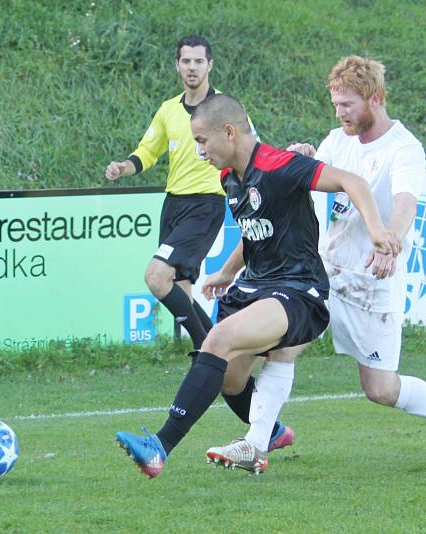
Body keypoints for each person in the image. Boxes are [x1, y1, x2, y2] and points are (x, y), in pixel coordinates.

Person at [114, 93, 401, 478]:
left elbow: (351, 181)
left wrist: (378, 229)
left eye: (202, 141)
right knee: (231, 381)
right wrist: (228, 272)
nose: (200, 151)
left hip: (299, 291)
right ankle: (271, 432)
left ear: (229, 132)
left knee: (214, 343)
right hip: (256, 287)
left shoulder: (280, 165)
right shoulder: (228, 178)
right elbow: (255, 235)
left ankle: (159, 448)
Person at [280, 55, 426, 468]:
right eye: (336, 104)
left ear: (374, 99)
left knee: (380, 390)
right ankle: (257, 441)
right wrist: (304, 157)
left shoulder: (404, 148)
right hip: (326, 274)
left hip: (372, 282)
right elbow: (317, 176)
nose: (339, 113)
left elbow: (406, 200)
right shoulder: (336, 139)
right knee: (283, 345)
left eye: (347, 105)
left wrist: (388, 242)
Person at [105, 35, 294, 452]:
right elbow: (148, 149)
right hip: (173, 205)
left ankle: (203, 340)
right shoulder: (169, 110)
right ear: (177, 66)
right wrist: (127, 165)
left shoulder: (226, 111)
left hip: (207, 204)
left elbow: (253, 150)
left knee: (157, 278)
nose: (191, 67)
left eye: (198, 61)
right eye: (185, 61)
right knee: (215, 359)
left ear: (210, 65)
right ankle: (268, 426)